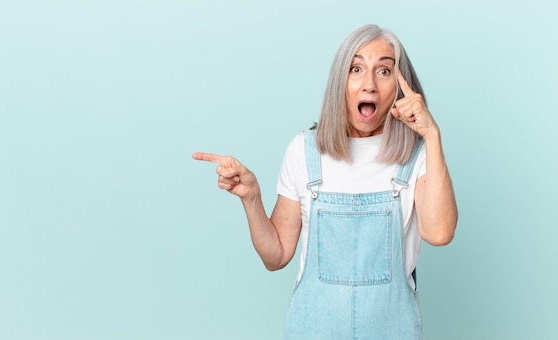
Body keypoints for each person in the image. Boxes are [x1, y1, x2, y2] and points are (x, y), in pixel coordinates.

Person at [192, 24, 457, 339]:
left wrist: (431, 134)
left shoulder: (417, 155)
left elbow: (439, 234)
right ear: (339, 82)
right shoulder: (304, 151)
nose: (369, 85)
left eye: (384, 71)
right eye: (356, 69)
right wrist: (251, 198)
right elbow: (275, 257)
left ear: (401, 89)